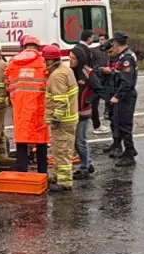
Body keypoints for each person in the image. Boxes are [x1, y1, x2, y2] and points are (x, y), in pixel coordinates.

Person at [8, 35, 49, 175]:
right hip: (39, 107)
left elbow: (7, 82)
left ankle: (22, 173)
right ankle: (42, 173)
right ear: (37, 47)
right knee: (41, 141)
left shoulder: (13, 62)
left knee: (22, 140)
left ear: (23, 46)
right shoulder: (43, 61)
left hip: (20, 108)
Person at [42, 44, 79, 191]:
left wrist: (56, 118)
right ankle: (57, 175)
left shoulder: (56, 76)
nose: (44, 62)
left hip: (63, 120)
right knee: (59, 149)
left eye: (45, 60)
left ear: (50, 61)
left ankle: (64, 182)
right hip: (69, 118)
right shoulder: (65, 69)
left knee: (63, 150)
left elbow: (60, 100)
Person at [70, 31, 101, 179]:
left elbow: (98, 89)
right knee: (76, 141)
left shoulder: (87, 72)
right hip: (73, 111)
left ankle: (85, 168)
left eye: (73, 58)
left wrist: (88, 101)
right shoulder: (71, 72)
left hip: (83, 112)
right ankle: (87, 163)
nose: (70, 60)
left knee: (80, 141)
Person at [107, 32, 138, 166]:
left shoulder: (126, 58)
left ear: (116, 43)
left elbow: (127, 81)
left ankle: (129, 153)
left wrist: (117, 96)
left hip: (125, 96)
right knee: (120, 123)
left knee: (125, 124)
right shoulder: (122, 56)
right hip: (123, 94)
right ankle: (127, 150)